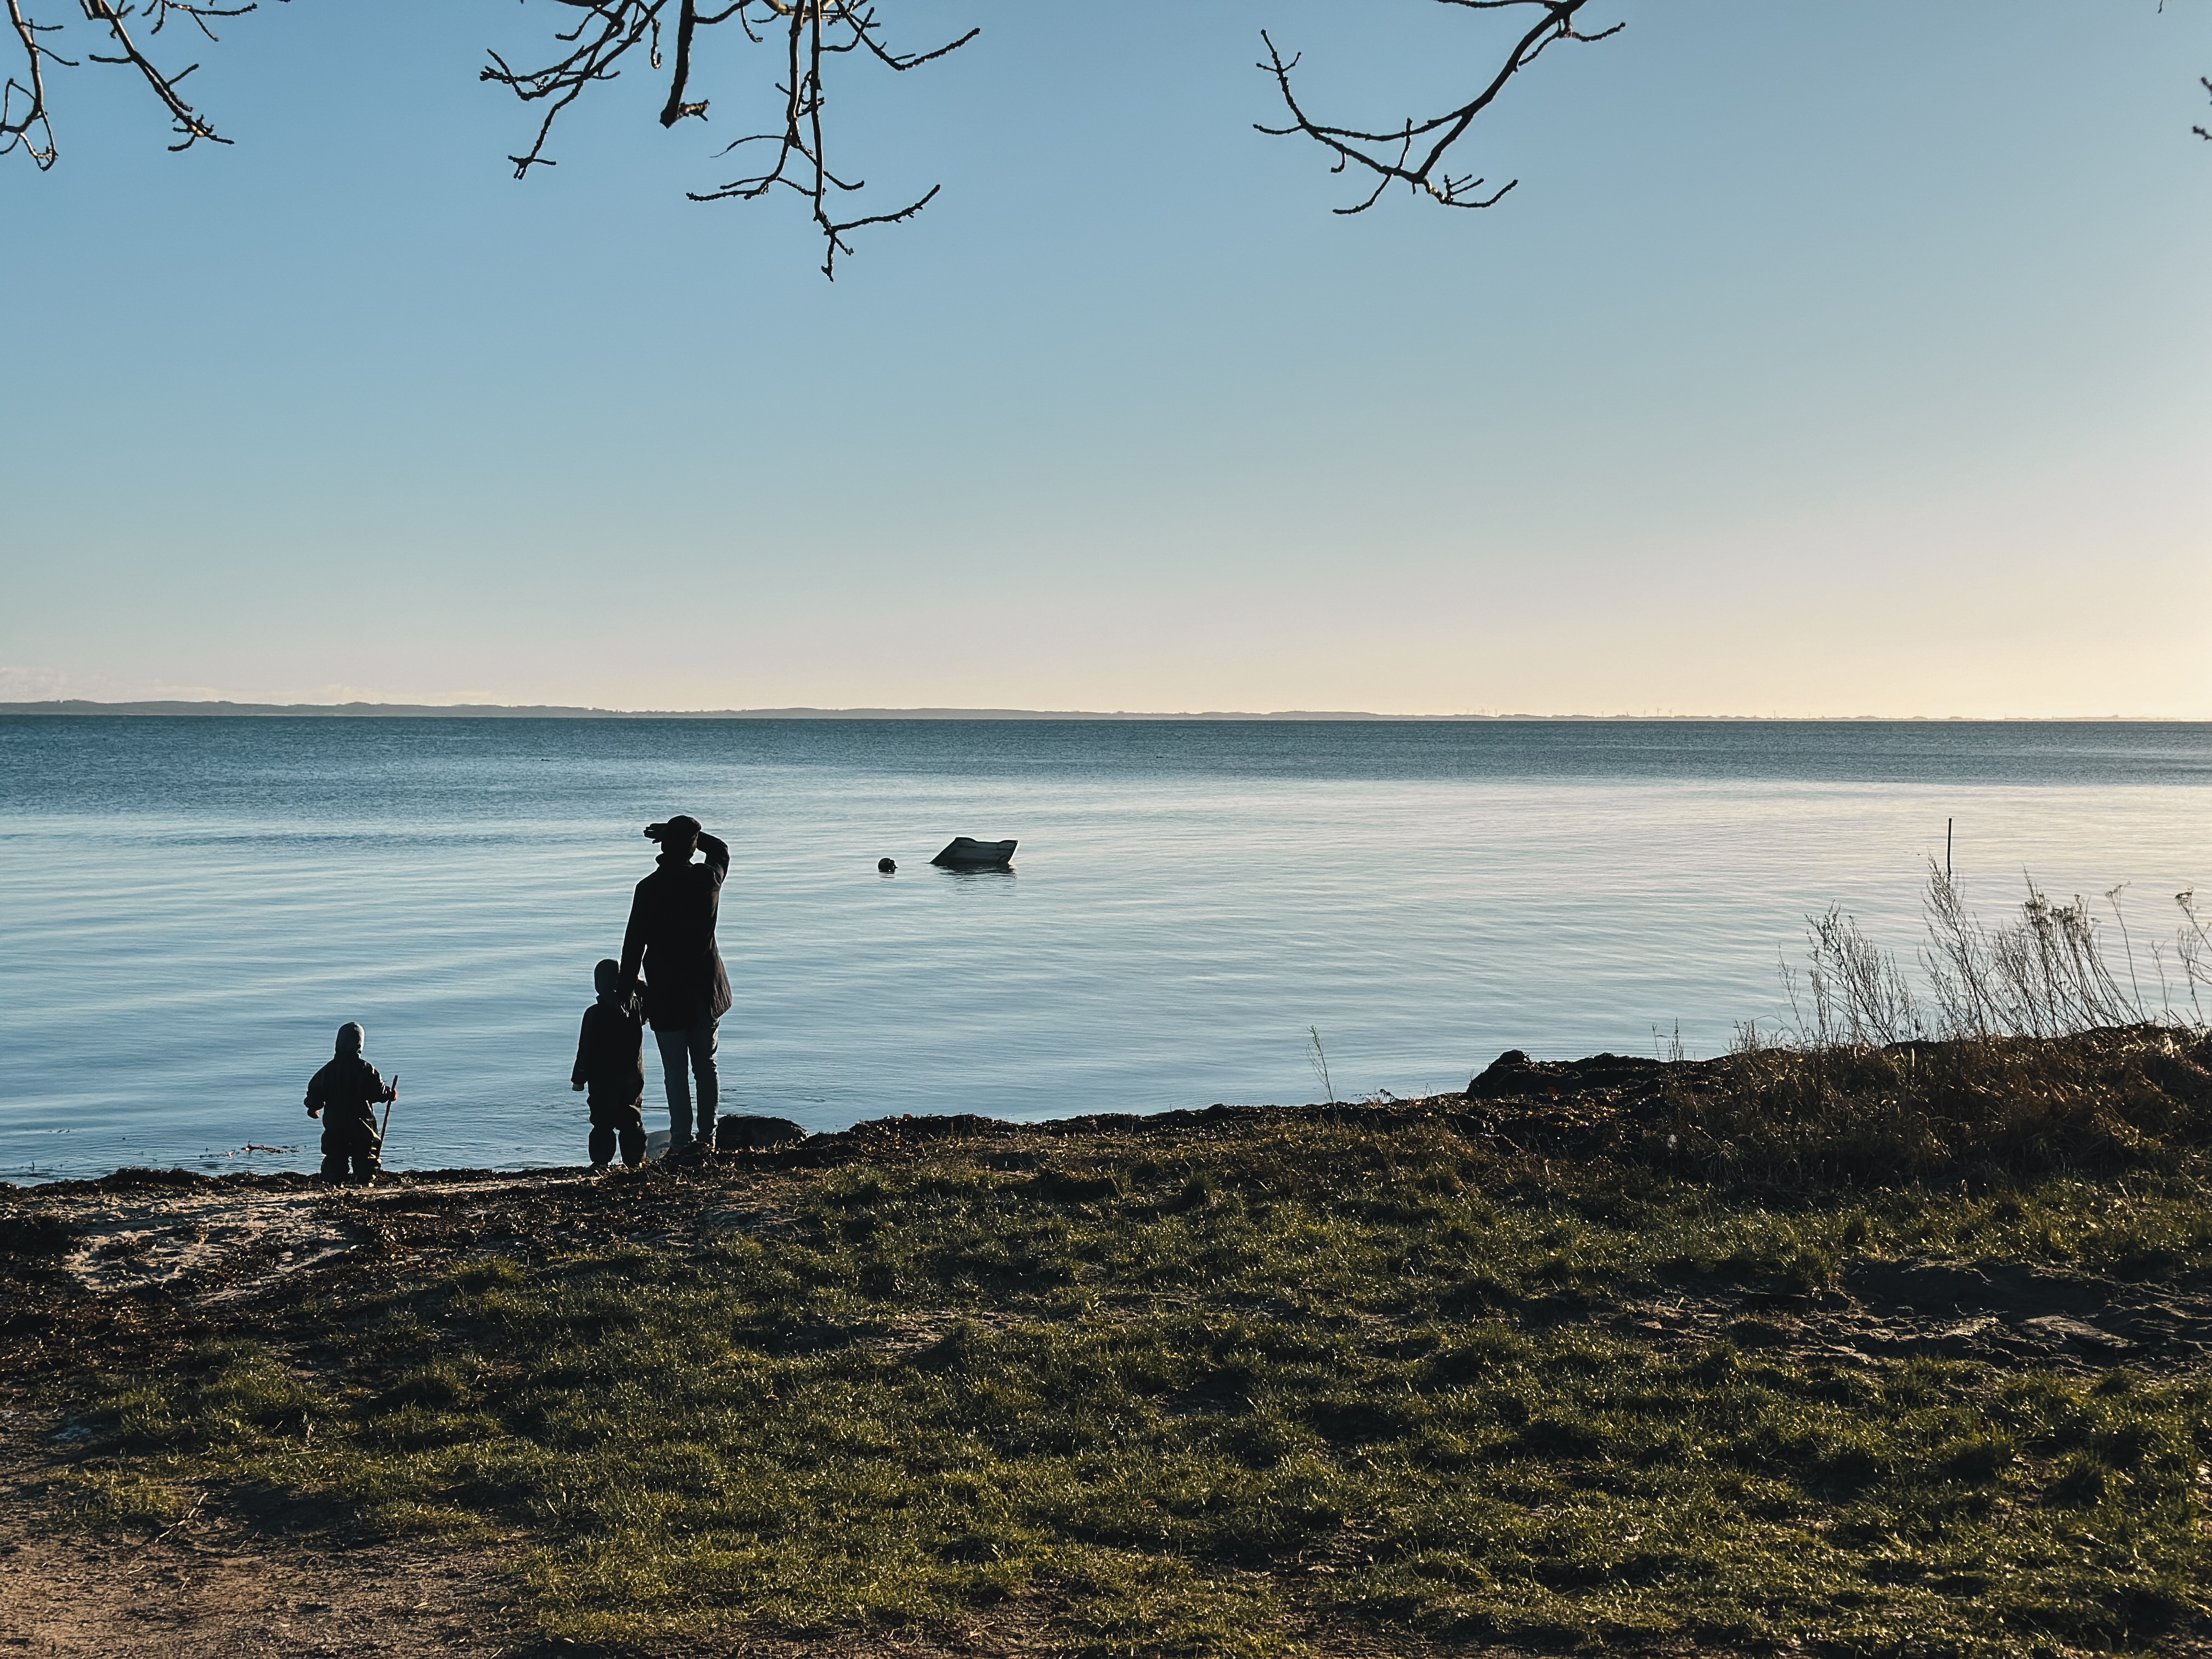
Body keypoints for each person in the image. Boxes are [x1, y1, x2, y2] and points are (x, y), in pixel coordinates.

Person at [620, 814, 731, 1158]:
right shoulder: (707, 879)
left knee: (675, 1073)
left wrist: (625, 989)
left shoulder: (649, 888)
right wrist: (692, 836)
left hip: (667, 993)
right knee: (705, 1066)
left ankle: (682, 1141)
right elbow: (721, 849)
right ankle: (707, 1139)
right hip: (705, 992)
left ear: (664, 847)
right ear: (693, 847)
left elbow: (633, 944)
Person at [572, 958, 648, 1171]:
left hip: (602, 1081)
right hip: (632, 1079)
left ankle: (600, 1162)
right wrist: (637, 982)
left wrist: (579, 1078)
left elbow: (585, 1050)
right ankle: (635, 1163)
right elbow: (653, 998)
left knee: (602, 1123)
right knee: (631, 1120)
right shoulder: (635, 1009)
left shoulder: (594, 1014)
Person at [304, 1022, 396, 1183]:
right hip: (362, 1123)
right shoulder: (366, 1069)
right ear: (359, 1044)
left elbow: (315, 1089)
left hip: (335, 1123)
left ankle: (333, 1182)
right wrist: (390, 1094)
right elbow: (378, 1092)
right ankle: (365, 1181)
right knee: (366, 1154)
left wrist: (313, 1107)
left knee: (335, 1154)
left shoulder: (328, 1070)